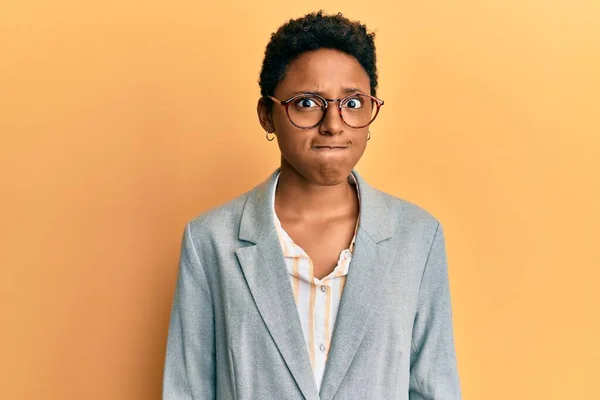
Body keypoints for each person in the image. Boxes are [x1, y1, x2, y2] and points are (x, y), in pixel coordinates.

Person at [162, 11, 461, 400]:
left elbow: (433, 388)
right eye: (307, 102)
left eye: (353, 102)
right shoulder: (210, 242)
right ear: (267, 115)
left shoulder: (418, 238)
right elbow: (187, 390)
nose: (334, 124)